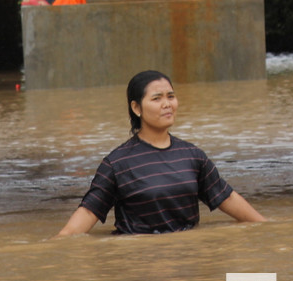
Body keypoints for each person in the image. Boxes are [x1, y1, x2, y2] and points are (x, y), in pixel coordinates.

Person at [56, 69, 265, 236]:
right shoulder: (117, 164)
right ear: (137, 108)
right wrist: (54, 246)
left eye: (171, 96)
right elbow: (87, 214)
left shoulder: (193, 156)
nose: (167, 104)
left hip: (189, 258)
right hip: (141, 261)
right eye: (157, 99)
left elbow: (225, 198)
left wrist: (268, 228)